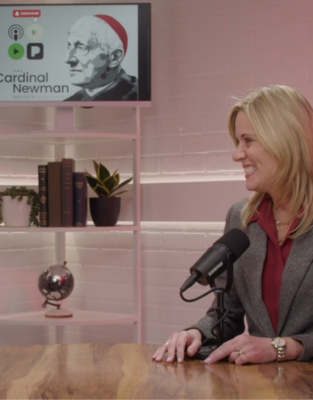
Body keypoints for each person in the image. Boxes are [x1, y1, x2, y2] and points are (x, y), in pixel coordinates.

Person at [152, 85, 313, 365]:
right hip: (262, 384)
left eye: (248, 141)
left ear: (285, 140)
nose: (237, 155)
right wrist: (196, 333)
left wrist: (285, 347)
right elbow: (226, 314)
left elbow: (275, 346)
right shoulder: (241, 218)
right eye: (238, 142)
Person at [63, 14, 137, 101]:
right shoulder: (71, 101)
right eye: (69, 46)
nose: (67, 59)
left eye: (82, 47)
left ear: (115, 58)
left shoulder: (139, 96)